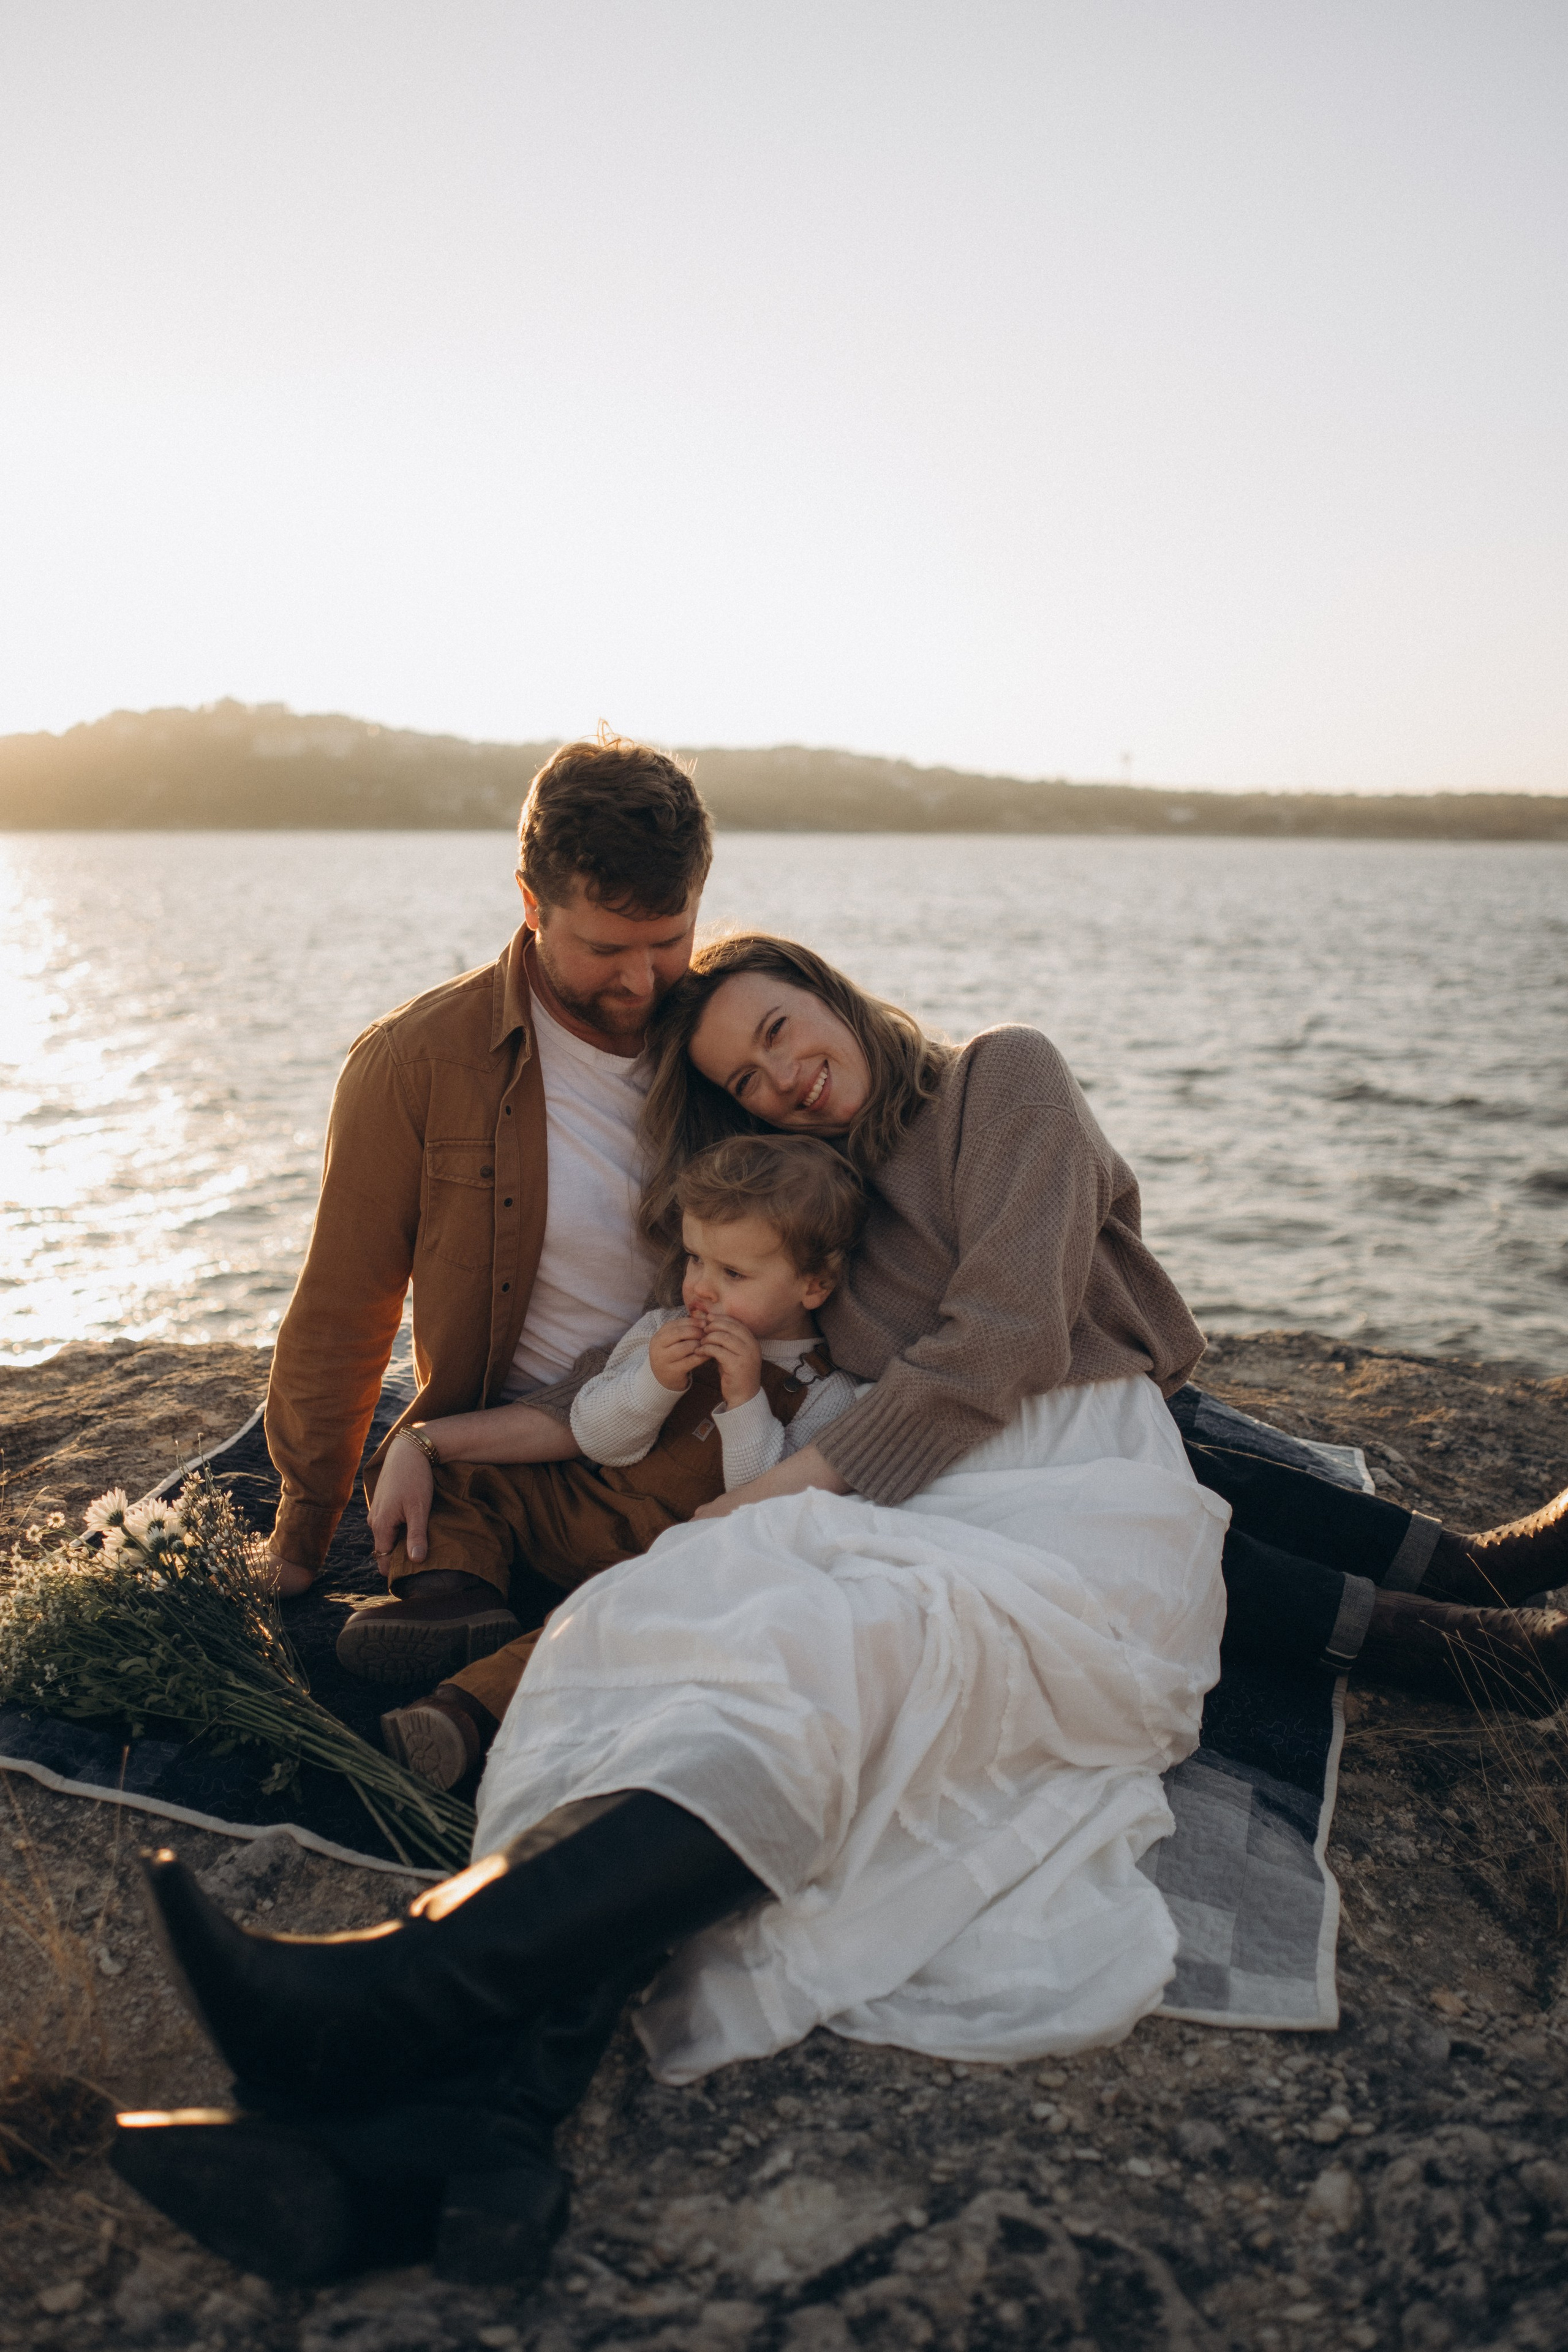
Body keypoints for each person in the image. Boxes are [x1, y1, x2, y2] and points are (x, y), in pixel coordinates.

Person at [121, 937, 1567, 2291]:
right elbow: (653, 1364)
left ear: (826, 989)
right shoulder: (813, 1206)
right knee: (699, 1644)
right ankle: (472, 2149)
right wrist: (434, 1432)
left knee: (813, 1635)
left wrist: (782, 1492)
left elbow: (1001, 1339)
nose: (779, 1078)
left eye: (777, 1031)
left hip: (1074, 1488)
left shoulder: (1000, 1077)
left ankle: (400, 2010)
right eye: (744, 1081)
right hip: (907, 1491)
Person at [374, 1133, 865, 1789]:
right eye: (695, 1259)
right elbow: (598, 1438)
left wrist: (747, 1399)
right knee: (468, 1472)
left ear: (814, 1284)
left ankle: (464, 1713)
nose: (702, 1289)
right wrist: (653, 1383)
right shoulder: (660, 1328)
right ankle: (452, 1596)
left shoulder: (827, 1392)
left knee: (599, 1630)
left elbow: (760, 1515)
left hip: (665, 1558)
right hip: (588, 1505)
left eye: (734, 1274)